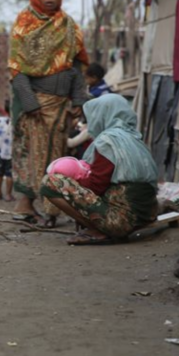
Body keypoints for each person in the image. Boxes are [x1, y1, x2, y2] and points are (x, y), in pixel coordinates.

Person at [9, 0, 90, 228]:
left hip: (61, 105)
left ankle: (51, 208)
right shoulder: (24, 23)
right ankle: (29, 204)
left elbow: (77, 66)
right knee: (33, 154)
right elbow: (16, 69)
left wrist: (78, 100)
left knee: (57, 154)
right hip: (34, 104)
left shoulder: (68, 25)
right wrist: (30, 103)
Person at [40, 94, 159, 245]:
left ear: (102, 115)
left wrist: (75, 178)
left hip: (121, 222)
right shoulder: (134, 138)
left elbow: (96, 185)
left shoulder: (108, 142)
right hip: (146, 216)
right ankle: (102, 227)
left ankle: (99, 231)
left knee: (50, 182)